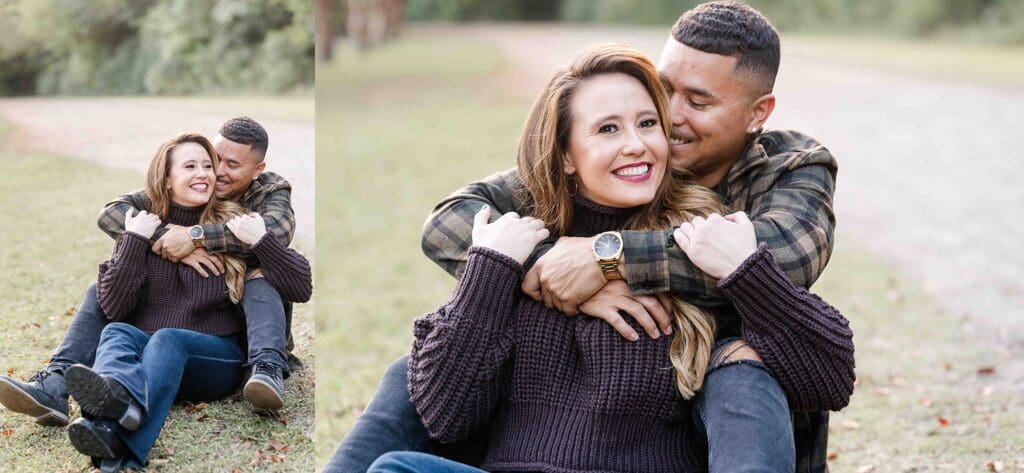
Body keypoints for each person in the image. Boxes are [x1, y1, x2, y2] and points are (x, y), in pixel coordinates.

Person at [330, 2, 843, 472]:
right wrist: (544, 262)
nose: (670, 118)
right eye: (664, 91)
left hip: (699, 392)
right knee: (414, 373)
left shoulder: (788, 167)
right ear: (569, 157)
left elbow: (784, 259)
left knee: (741, 365)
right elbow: (450, 220)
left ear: (758, 113)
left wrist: (608, 258)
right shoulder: (587, 175)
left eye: (698, 102)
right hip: (551, 415)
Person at [0, 117, 300, 420]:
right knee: (102, 291)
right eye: (214, 158)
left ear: (256, 170)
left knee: (259, 278)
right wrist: (164, 238)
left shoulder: (267, 191)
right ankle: (55, 382)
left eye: (231, 165)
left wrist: (196, 238)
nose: (216, 171)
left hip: (232, 326)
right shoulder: (183, 186)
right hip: (173, 321)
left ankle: (266, 365)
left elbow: (274, 235)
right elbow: (111, 214)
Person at [61, 133, 312, 472]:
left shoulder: (230, 223)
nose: (207, 174)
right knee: (118, 331)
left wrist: (242, 241)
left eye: (207, 166)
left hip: (216, 357)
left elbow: (300, 282)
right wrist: (139, 240)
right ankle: (116, 409)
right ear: (166, 180)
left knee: (168, 338)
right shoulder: (144, 225)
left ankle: (124, 451)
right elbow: (115, 308)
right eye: (191, 166)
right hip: (157, 359)